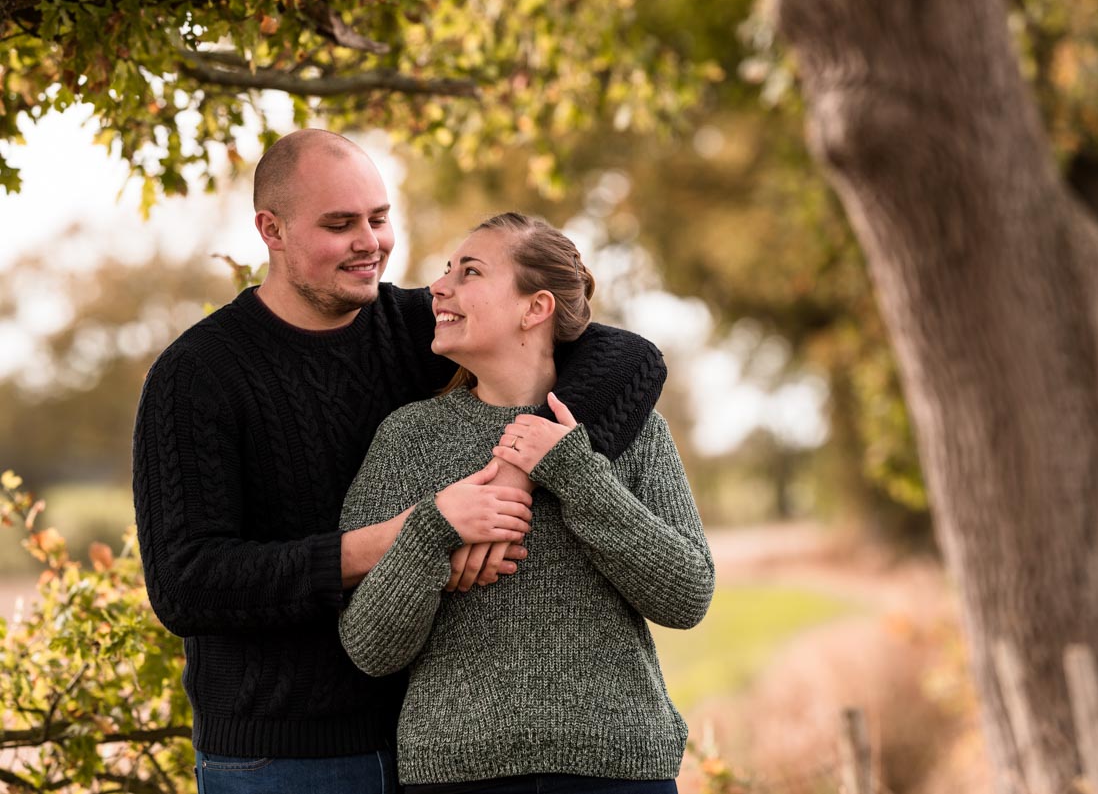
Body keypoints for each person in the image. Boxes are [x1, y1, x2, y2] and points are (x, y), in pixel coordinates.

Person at [131, 131, 667, 793]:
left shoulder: (422, 329)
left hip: (428, 748)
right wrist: (403, 537)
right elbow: (187, 583)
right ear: (271, 229)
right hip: (284, 756)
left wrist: (517, 472)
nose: (370, 241)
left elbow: (626, 355)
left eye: (379, 219)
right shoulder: (198, 375)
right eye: (340, 224)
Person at [338, 212, 714, 793]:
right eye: (446, 271)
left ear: (534, 309)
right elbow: (369, 648)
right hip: (456, 772)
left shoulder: (631, 429)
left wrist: (573, 472)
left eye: (470, 272)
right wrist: (431, 530)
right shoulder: (407, 437)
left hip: (618, 767)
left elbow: (687, 595)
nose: (438, 287)